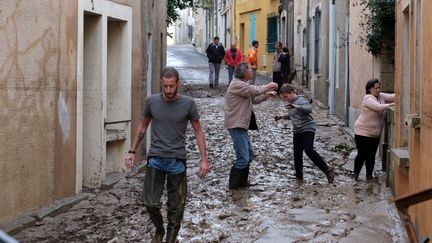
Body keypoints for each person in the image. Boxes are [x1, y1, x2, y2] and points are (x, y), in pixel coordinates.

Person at [124, 67, 209, 243]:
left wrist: (204, 160)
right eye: (165, 87)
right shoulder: (152, 102)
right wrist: (132, 151)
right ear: (161, 84)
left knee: (176, 207)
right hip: (155, 158)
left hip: (177, 161)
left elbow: (198, 132)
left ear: (178, 84)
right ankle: (159, 229)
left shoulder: (188, 104)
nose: (169, 90)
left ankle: (170, 239)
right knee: (150, 202)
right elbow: (143, 126)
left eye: (172, 86)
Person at [224, 62, 278, 189]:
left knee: (249, 155)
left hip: (242, 124)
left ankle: (243, 182)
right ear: (244, 72)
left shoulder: (243, 84)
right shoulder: (237, 84)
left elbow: (254, 99)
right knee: (243, 157)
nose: (252, 72)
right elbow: (255, 90)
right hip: (236, 124)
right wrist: (269, 85)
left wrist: (266, 95)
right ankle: (234, 186)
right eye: (250, 70)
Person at [275, 84, 335, 183]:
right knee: (297, 154)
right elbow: (293, 115)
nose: (286, 99)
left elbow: (309, 109)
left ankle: (327, 170)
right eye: (283, 97)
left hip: (308, 128)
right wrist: (282, 116)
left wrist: (297, 106)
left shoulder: (300, 100)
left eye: (286, 96)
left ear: (292, 92)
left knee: (309, 149)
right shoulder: (290, 103)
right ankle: (299, 176)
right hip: (297, 130)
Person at [353, 79, 395, 181]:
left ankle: (369, 176)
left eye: (379, 87)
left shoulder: (380, 96)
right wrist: (393, 105)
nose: (378, 90)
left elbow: (392, 97)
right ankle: (356, 174)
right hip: (362, 132)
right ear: (370, 89)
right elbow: (379, 108)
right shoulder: (368, 98)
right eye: (376, 88)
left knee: (371, 155)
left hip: (375, 134)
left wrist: (401, 95)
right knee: (362, 154)